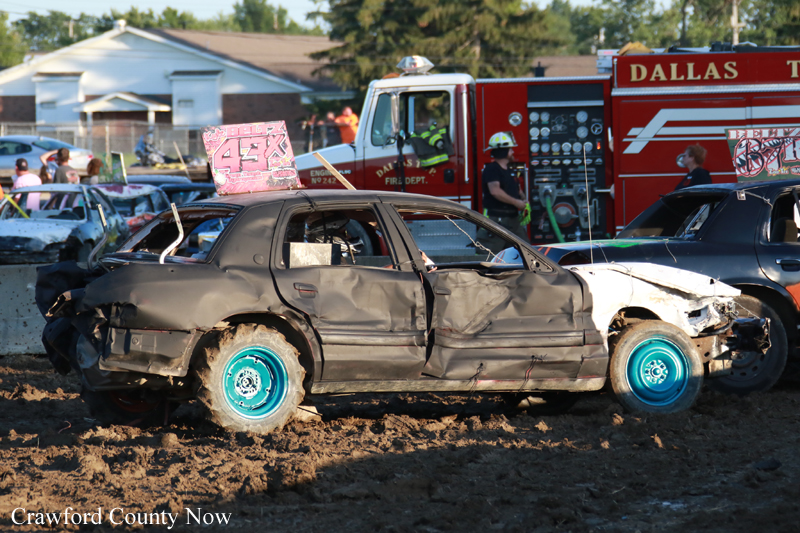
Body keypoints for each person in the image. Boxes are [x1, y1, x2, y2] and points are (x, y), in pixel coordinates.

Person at [476, 132, 529, 252]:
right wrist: (517, 203)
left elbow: (517, 190)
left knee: (526, 253)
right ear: (504, 151)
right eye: (510, 149)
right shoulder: (492, 169)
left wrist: (523, 200)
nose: (513, 152)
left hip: (513, 221)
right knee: (489, 256)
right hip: (497, 221)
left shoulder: (509, 171)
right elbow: (495, 191)